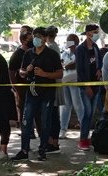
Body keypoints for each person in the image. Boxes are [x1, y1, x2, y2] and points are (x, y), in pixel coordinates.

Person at [11, 27, 63, 161]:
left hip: (47, 93)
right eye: (35, 36)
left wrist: (45, 74)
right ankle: (24, 149)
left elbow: (60, 73)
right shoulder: (28, 54)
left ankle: (43, 149)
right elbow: (21, 71)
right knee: (26, 120)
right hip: (31, 93)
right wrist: (25, 71)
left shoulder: (52, 54)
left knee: (45, 121)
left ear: (45, 39)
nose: (36, 39)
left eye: (39, 36)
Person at [75, 24, 103, 150]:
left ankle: (87, 137)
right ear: (87, 33)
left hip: (96, 85)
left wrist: (99, 70)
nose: (96, 34)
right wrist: (86, 86)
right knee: (87, 112)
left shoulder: (96, 47)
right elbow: (80, 70)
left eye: (97, 32)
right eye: (94, 32)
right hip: (85, 86)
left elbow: (99, 62)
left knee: (91, 113)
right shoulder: (80, 49)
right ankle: (82, 139)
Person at [8, 28, 33, 132]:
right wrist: (15, 86)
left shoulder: (33, 52)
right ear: (23, 41)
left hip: (32, 86)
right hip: (22, 86)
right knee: (23, 109)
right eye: (29, 39)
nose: (31, 41)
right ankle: (25, 130)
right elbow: (11, 71)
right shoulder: (17, 54)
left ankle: (31, 130)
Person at [59, 34, 82, 138]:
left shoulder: (80, 51)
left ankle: (83, 127)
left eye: (70, 40)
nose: (68, 42)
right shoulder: (64, 53)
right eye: (68, 40)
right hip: (65, 80)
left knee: (78, 104)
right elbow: (62, 65)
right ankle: (63, 129)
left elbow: (79, 64)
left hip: (75, 81)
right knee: (65, 106)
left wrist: (71, 65)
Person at [44, 26, 62, 154]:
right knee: (54, 113)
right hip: (55, 83)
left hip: (53, 84)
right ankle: (53, 140)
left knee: (52, 114)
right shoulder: (54, 46)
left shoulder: (51, 48)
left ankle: (53, 141)